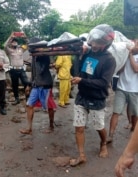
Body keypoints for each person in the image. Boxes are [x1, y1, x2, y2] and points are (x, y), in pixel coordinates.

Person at [69, 24, 116, 166]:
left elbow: (103, 83)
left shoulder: (109, 59)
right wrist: (78, 56)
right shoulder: (87, 53)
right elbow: (74, 72)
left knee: (98, 126)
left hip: (97, 98)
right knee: (79, 127)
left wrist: (82, 80)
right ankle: (81, 155)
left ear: (106, 44)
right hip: (82, 96)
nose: (94, 45)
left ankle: (103, 143)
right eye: (93, 41)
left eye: (99, 42)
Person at [19, 38, 57, 134]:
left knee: (49, 107)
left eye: (30, 46)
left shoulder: (44, 56)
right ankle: (29, 128)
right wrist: (29, 85)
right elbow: (34, 73)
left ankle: (51, 126)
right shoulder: (33, 57)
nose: (29, 48)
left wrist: (39, 55)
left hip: (45, 85)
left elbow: (40, 71)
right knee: (29, 105)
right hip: (36, 85)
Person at [107, 40, 138, 143]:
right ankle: (110, 135)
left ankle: (133, 131)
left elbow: (136, 69)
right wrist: (124, 57)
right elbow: (119, 70)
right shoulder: (124, 56)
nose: (134, 45)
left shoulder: (133, 57)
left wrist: (129, 55)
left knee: (135, 113)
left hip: (135, 90)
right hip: (121, 88)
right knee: (116, 112)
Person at [5, 32, 29, 105]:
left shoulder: (21, 49)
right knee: (15, 85)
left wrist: (25, 37)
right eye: (13, 42)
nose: (14, 42)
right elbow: (5, 45)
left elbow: (29, 45)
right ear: (11, 44)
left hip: (21, 70)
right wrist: (11, 37)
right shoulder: (9, 50)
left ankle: (28, 99)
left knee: (26, 83)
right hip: (13, 70)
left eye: (15, 41)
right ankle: (16, 99)